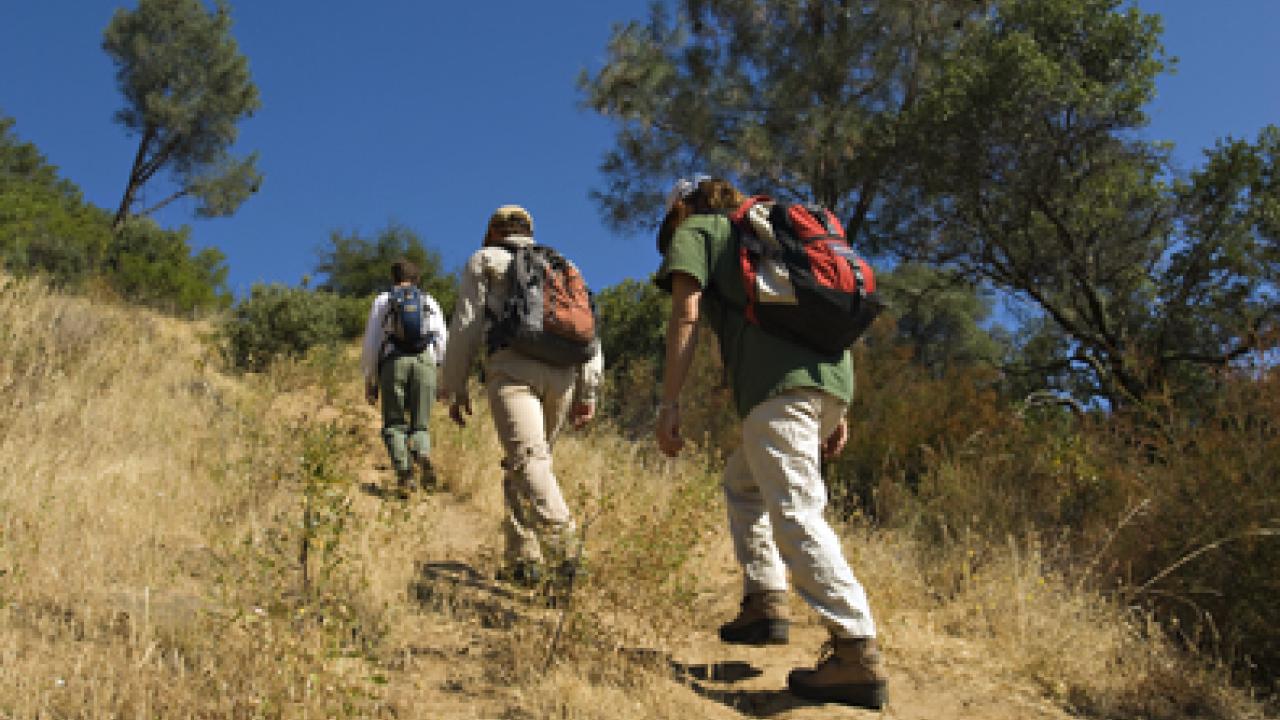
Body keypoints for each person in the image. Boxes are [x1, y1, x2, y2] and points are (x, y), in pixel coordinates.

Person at [653, 177, 887, 709]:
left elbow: (685, 313)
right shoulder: (778, 237)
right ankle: (765, 601)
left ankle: (856, 650)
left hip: (780, 390)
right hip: (828, 383)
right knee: (744, 481)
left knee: (797, 511)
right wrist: (837, 411)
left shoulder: (700, 229)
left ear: (686, 205)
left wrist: (670, 402)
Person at [438, 204, 602, 587]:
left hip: (512, 369)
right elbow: (589, 327)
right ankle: (522, 558)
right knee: (527, 465)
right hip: (563, 374)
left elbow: (466, 323)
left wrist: (455, 384)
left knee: (529, 461)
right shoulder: (561, 264)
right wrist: (588, 391)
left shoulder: (485, 259)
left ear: (493, 231)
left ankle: (566, 547)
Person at [360, 258, 448, 498]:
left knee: (394, 425)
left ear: (393, 278)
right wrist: (443, 379)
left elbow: (372, 342)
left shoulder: (383, 300)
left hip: (394, 362)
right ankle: (422, 451)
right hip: (425, 362)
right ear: (417, 279)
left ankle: (405, 475)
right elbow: (442, 339)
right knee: (420, 424)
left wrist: (370, 379)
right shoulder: (429, 301)